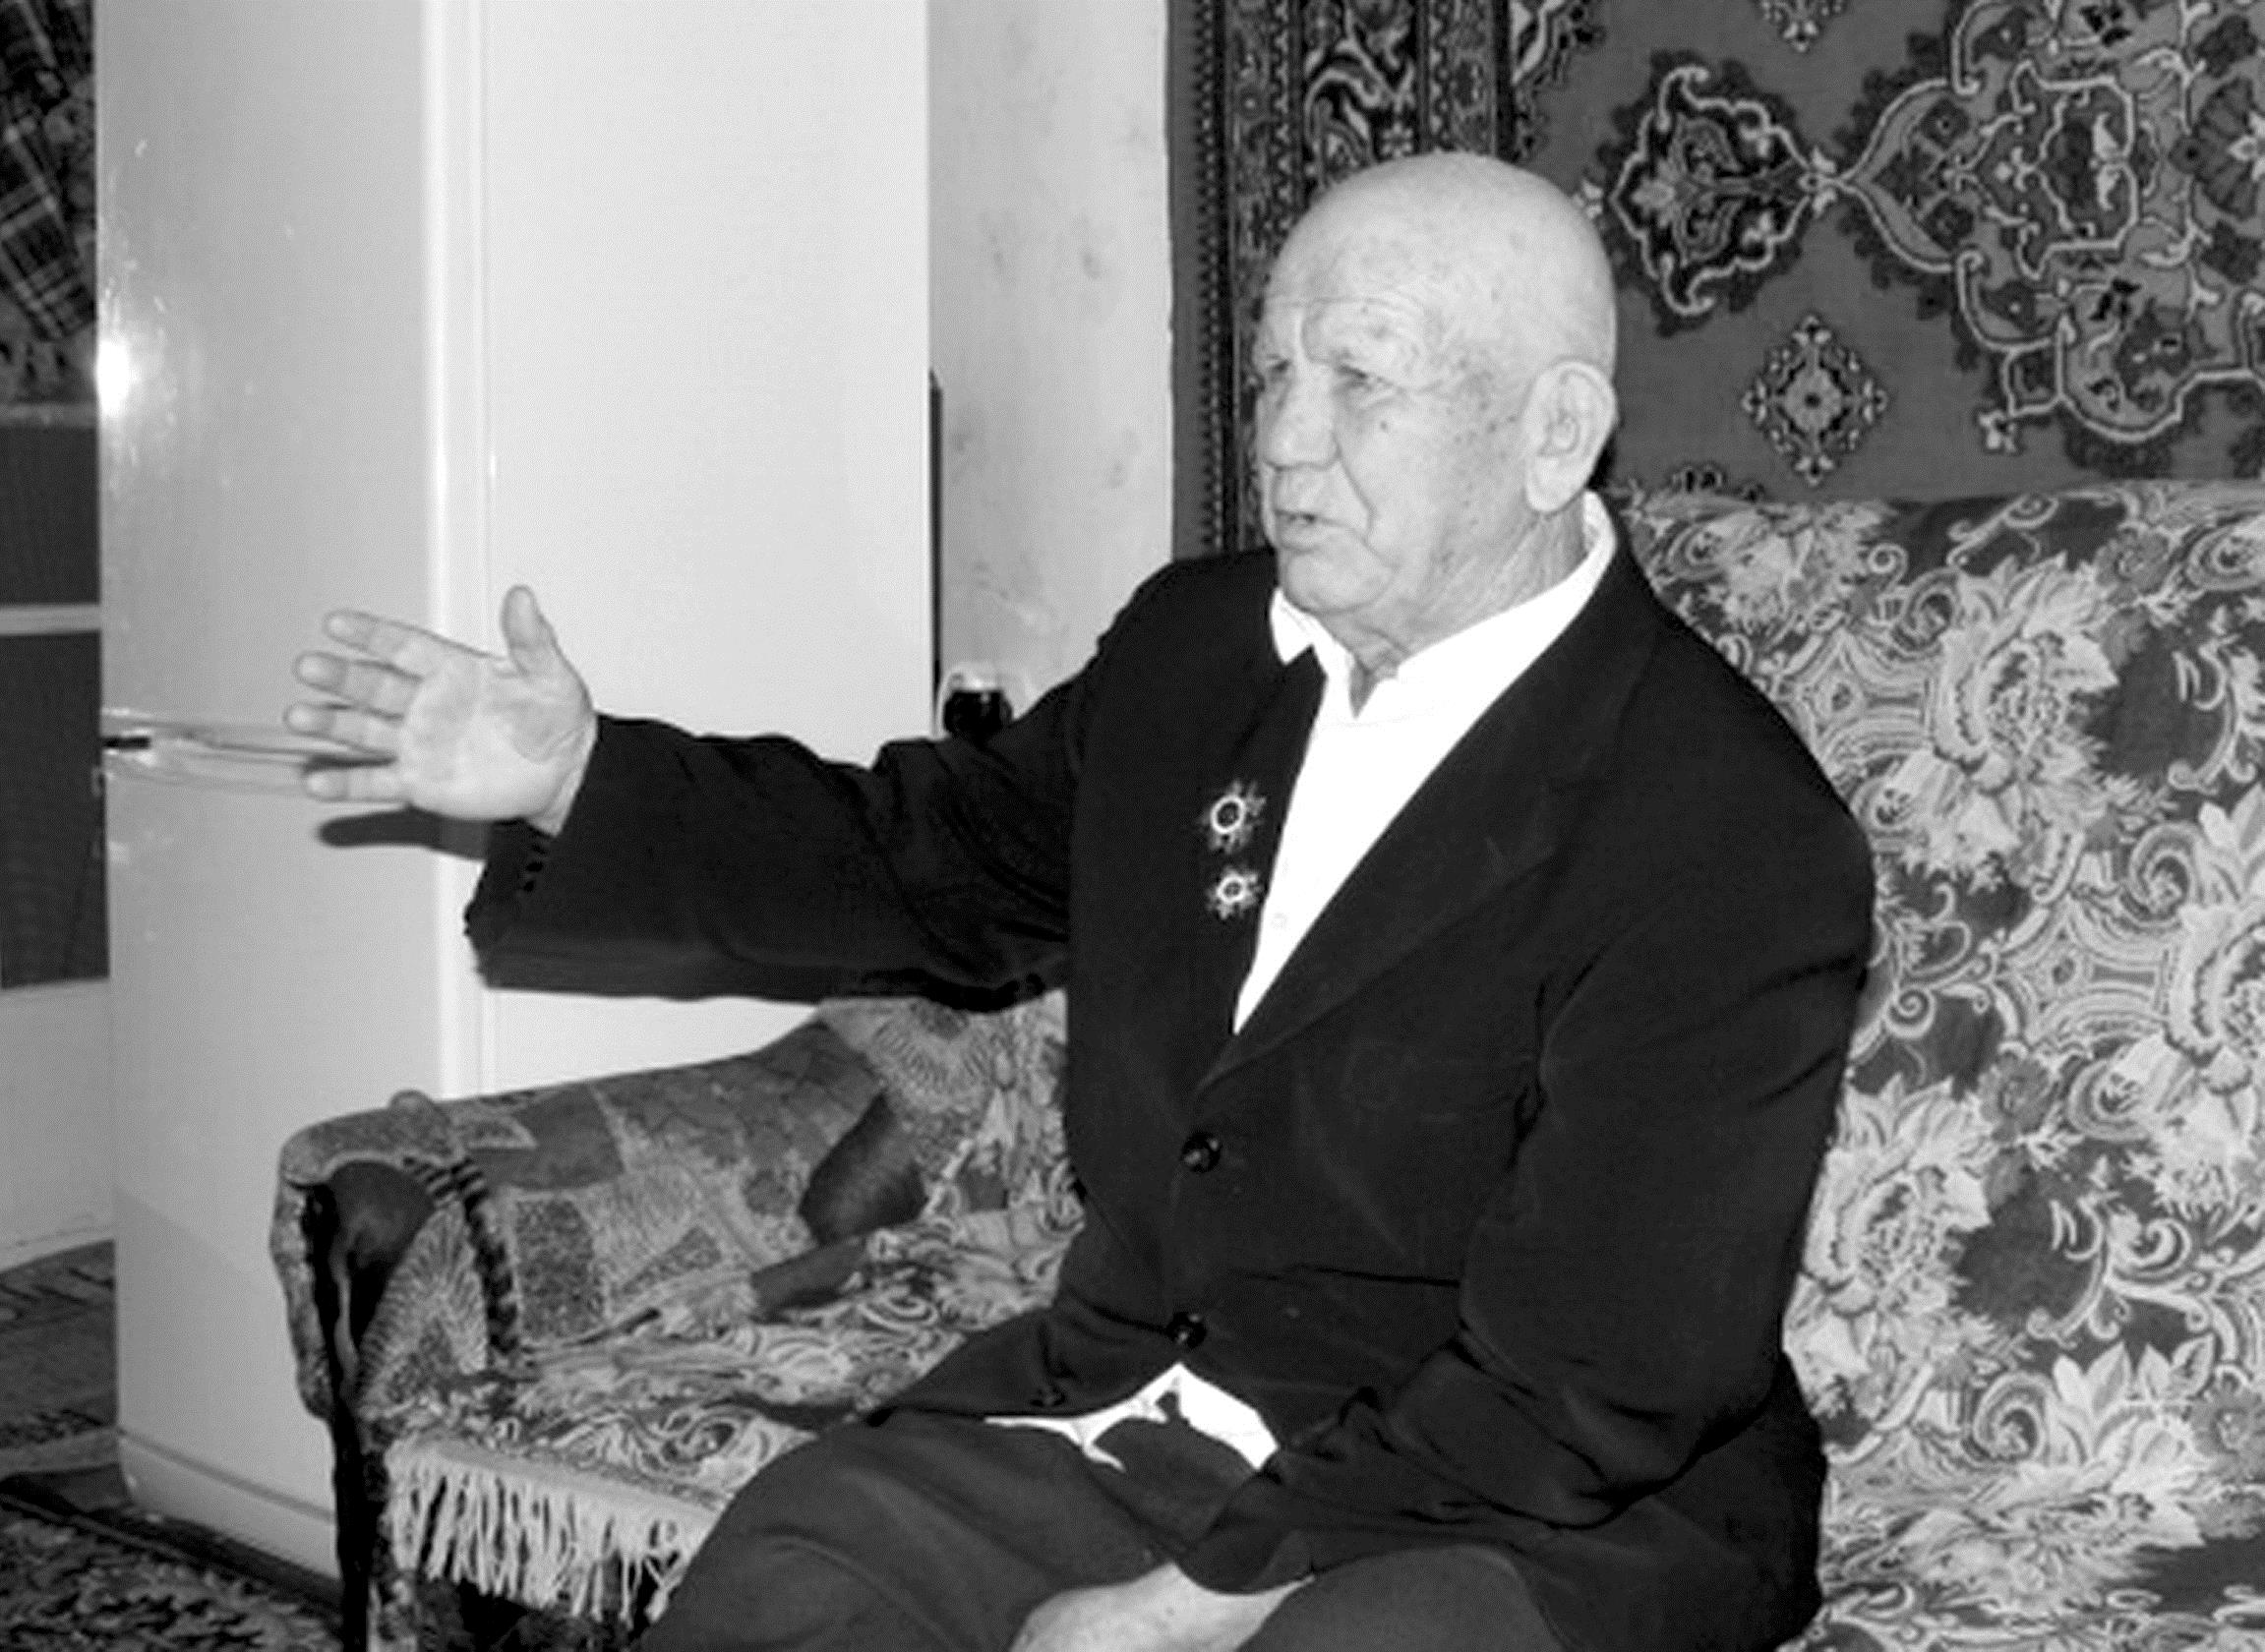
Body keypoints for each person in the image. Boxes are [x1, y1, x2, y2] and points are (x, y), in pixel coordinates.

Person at [289, 155, 1872, 1652]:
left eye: (1360, 380)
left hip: (1531, 1502)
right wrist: (579, 777)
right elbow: (923, 856)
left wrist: (1187, 1606)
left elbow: (1597, 1373)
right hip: (1147, 1406)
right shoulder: (1198, 652)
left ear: (1555, 433)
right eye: (1273, 373)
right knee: (793, 1578)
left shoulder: (1724, 830)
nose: (1287, 440)